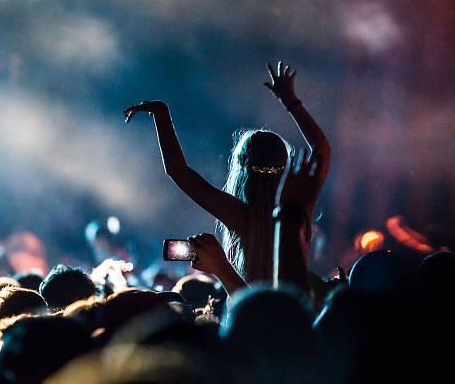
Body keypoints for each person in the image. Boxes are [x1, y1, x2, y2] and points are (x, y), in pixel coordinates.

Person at [124, 62, 330, 284]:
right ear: (284, 162)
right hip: (295, 312)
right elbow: (322, 149)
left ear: (241, 171)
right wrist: (291, 101)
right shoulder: (300, 212)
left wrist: (161, 114)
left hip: (250, 313)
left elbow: (179, 172)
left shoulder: (240, 216)